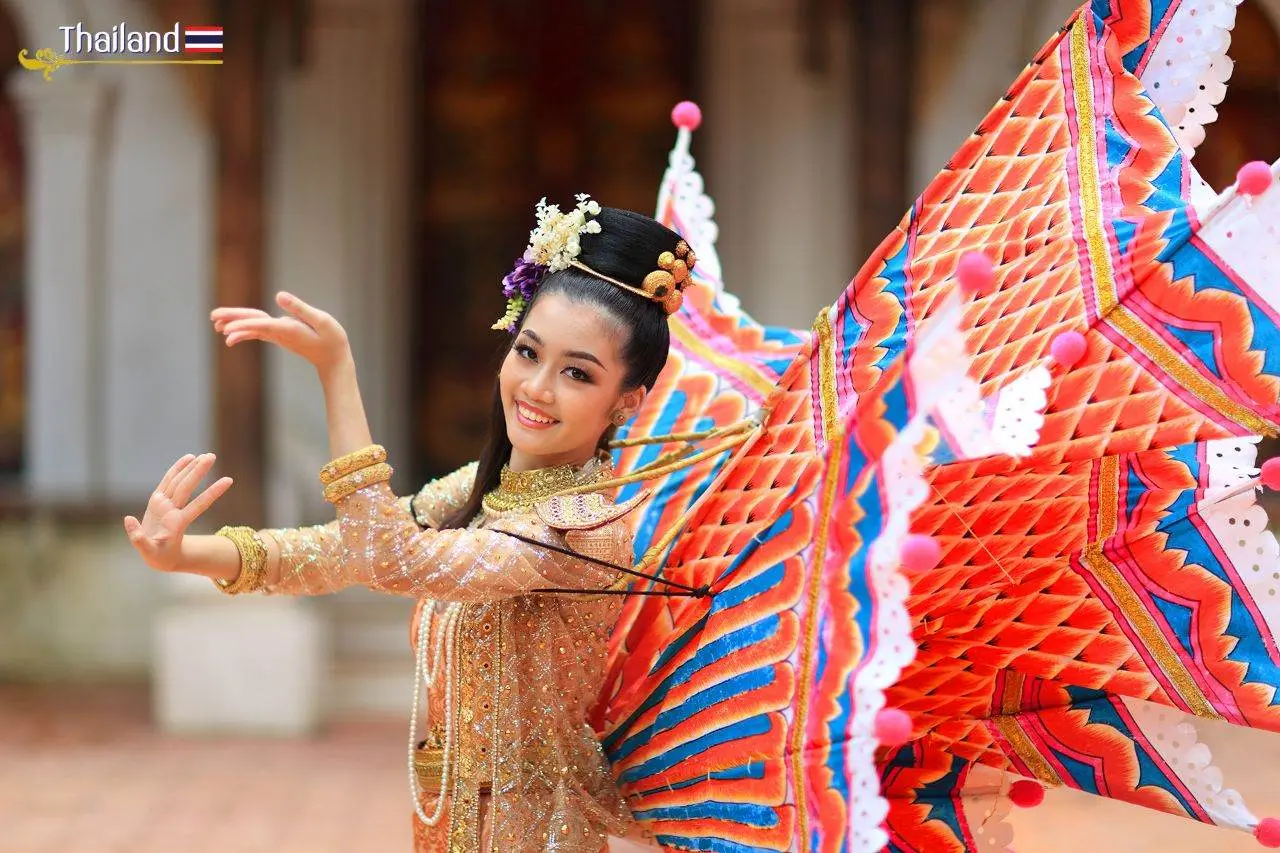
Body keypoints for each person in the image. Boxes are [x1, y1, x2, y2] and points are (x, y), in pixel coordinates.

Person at [122, 196, 691, 853]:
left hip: (545, 834)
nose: (536, 386)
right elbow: (341, 552)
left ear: (627, 400)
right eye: (528, 351)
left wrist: (338, 373)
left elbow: (391, 559)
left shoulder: (577, 525)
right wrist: (182, 553)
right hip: (449, 824)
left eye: (576, 373)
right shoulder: (477, 492)